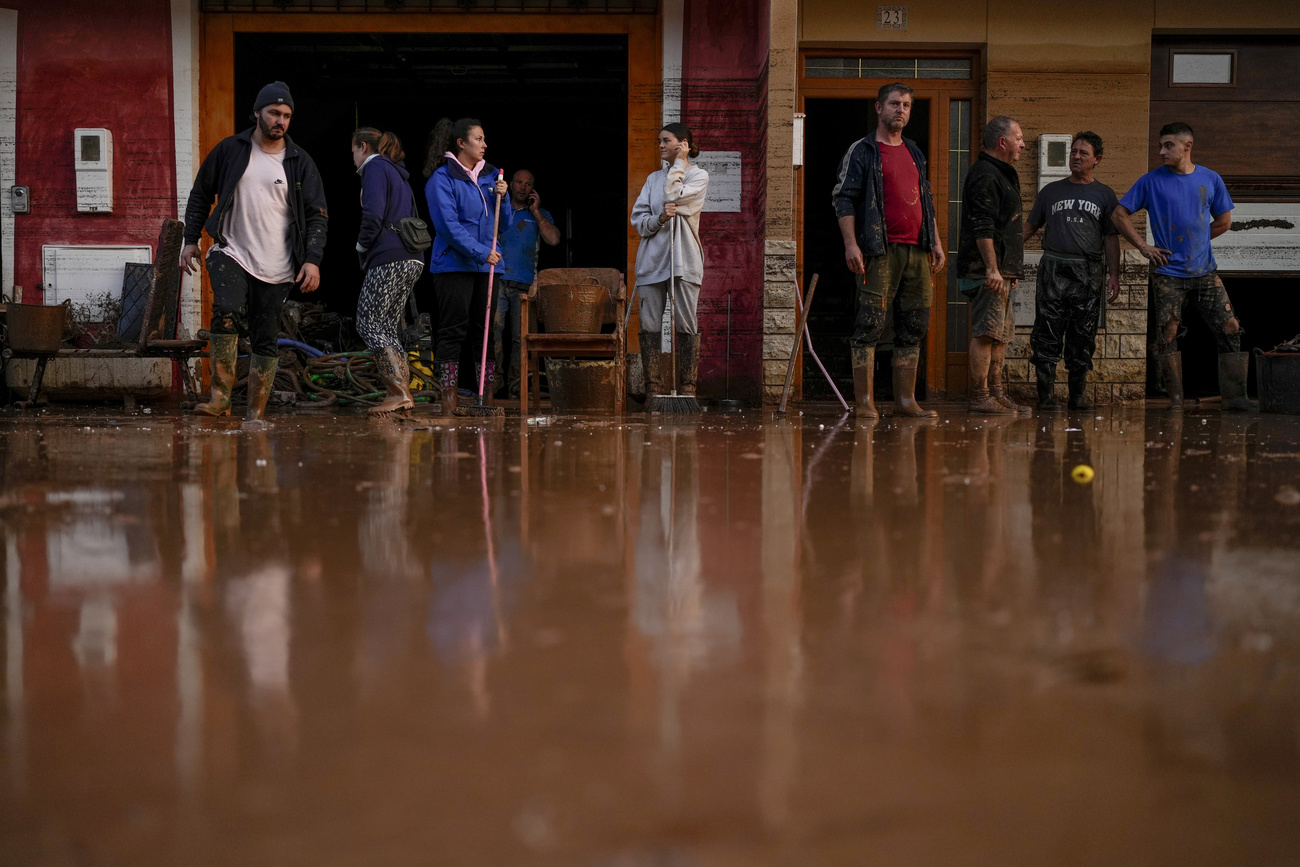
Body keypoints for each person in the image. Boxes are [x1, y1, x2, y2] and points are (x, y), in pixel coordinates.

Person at [181, 81, 328, 421]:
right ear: (257, 113)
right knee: (227, 310)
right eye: (274, 113)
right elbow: (201, 193)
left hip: (278, 263)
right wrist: (191, 239)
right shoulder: (231, 149)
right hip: (232, 251)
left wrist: (312, 260)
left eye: (287, 115)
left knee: (265, 336)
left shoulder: (299, 162)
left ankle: (255, 410)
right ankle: (220, 398)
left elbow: (318, 215)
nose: (281, 120)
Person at [1111, 122, 1247, 411]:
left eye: (1168, 145)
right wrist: (1143, 246)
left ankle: (1237, 399)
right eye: (1160, 145)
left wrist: (1197, 240)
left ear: (1188, 146)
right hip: (1168, 275)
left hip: (1205, 271)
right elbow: (1119, 214)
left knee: (1231, 326)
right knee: (1169, 333)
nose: (1161, 151)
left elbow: (1224, 223)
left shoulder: (1210, 179)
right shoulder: (1150, 181)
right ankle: (1173, 399)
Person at [832, 82, 946, 419]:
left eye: (907, 105)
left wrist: (936, 242)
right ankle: (865, 402)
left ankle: (906, 401)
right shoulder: (863, 150)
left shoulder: (914, 151)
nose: (901, 110)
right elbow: (844, 198)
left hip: (917, 251)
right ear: (879, 108)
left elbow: (926, 199)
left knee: (914, 325)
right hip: (878, 250)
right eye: (895, 104)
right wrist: (851, 243)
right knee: (870, 323)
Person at [1023, 131, 1121, 411]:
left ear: (1097, 159)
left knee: (1083, 333)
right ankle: (1046, 398)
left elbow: (1110, 238)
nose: (1076, 157)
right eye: (1073, 152)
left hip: (1087, 271)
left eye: (1083, 153)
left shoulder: (1104, 194)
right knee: (1046, 331)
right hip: (1053, 267)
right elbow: (1030, 227)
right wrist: (1004, 256)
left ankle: (1077, 396)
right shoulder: (1051, 191)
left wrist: (1113, 274)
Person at [424, 117, 511, 416]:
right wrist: (479, 251)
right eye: (478, 138)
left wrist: (505, 196)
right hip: (453, 265)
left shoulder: (491, 177)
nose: (484, 144)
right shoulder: (442, 178)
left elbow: (505, 224)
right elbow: (447, 226)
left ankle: (485, 395)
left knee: (485, 331)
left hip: (488, 267)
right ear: (461, 143)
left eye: (484, 139)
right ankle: (448, 395)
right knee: (452, 330)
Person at [630, 122, 710, 403]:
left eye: (667, 140)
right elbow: (638, 220)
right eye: (659, 141)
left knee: (686, 323)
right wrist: (659, 219)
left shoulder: (698, 176)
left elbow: (671, 195)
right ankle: (653, 388)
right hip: (652, 260)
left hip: (684, 258)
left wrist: (679, 164)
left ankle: (688, 389)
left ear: (684, 143)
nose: (661, 145)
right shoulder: (652, 179)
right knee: (650, 324)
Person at [957, 115, 1029, 415]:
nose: (1023, 144)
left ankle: (996, 393)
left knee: (1001, 334)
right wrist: (992, 268)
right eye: (1019, 138)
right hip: (986, 270)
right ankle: (979, 396)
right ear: (1003, 142)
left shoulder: (1003, 172)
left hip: (1003, 270)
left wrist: (1008, 269)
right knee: (986, 332)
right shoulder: (986, 174)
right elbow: (982, 226)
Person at [351, 127, 426, 416]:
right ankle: (400, 393)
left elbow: (372, 215)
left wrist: (360, 246)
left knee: (368, 324)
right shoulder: (397, 171)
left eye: (353, 152)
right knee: (386, 328)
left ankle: (398, 391)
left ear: (363, 147)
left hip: (390, 257)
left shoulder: (375, 168)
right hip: (412, 258)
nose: (353, 159)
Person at [495, 169, 560, 398]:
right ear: (510, 185)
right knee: (494, 333)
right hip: (498, 281)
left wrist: (535, 211)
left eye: (528, 184)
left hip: (524, 283)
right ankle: (492, 387)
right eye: (519, 182)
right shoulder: (497, 209)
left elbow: (553, 239)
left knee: (519, 338)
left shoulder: (539, 214)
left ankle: (516, 388)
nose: (522, 187)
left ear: (533, 189)